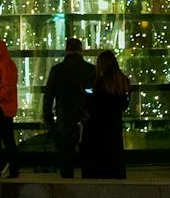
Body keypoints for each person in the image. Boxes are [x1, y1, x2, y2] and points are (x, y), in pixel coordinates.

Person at [42, 36, 97, 178]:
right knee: (88, 154)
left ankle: (67, 183)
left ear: (66, 50)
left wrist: (48, 118)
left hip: (64, 116)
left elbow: (49, 96)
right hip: (86, 116)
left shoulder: (57, 70)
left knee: (66, 155)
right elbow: (95, 94)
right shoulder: (91, 69)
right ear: (81, 50)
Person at [80, 51, 131, 178]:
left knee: (98, 159)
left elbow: (92, 105)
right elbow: (124, 104)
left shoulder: (98, 83)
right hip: (114, 125)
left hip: (97, 127)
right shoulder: (122, 81)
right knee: (114, 155)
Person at [0, 37, 21, 178]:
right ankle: (8, 168)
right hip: (3, 107)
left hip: (3, 108)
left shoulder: (4, 65)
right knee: (5, 140)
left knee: (3, 140)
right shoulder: (3, 64)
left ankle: (5, 168)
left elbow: (7, 87)